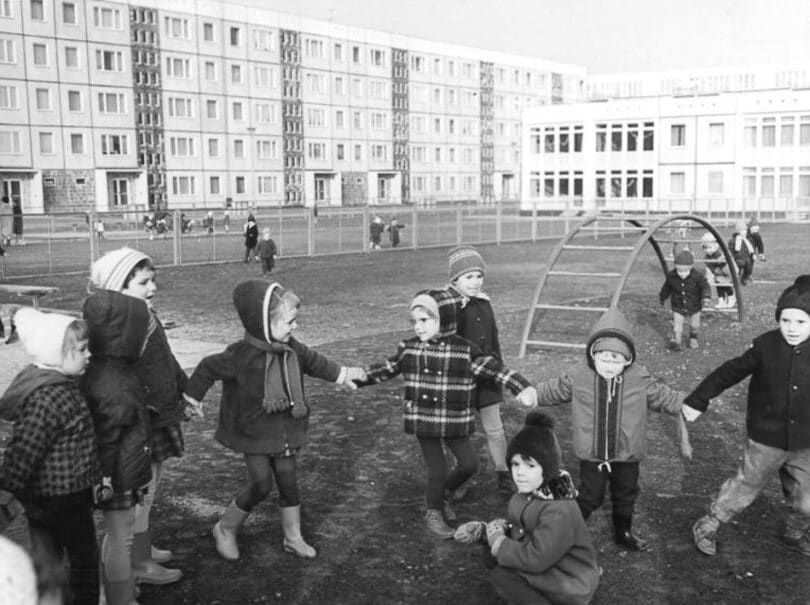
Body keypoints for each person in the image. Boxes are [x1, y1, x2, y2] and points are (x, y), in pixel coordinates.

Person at [182, 280, 366, 561]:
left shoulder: (293, 349)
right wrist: (192, 398)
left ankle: (293, 537)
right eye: (290, 322)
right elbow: (207, 367)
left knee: (289, 481)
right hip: (254, 433)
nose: (295, 327)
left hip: (285, 432)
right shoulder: (241, 354)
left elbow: (316, 362)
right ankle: (225, 528)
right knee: (261, 484)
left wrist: (343, 374)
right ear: (264, 324)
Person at [360, 289, 537, 538]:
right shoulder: (409, 348)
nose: (418, 327)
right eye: (414, 321)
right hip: (424, 420)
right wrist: (353, 376)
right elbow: (385, 369)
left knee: (469, 464)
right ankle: (434, 512)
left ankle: (442, 493)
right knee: (437, 469)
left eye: (424, 320)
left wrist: (521, 386)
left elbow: (495, 369)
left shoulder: (464, 350)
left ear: (443, 319)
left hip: (453, 419)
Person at [533, 308, 687, 551]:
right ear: (592, 356)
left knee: (626, 491)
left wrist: (686, 404)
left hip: (627, 452)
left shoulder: (639, 379)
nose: (609, 364)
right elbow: (556, 389)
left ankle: (623, 531)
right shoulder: (579, 375)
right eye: (603, 357)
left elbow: (662, 395)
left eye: (616, 359)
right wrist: (534, 394)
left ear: (628, 360)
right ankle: (565, 530)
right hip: (592, 452)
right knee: (589, 495)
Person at [686, 275, 810, 557]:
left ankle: (796, 529)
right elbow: (730, 371)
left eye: (801, 322)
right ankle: (710, 523)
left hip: (805, 441)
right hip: (766, 438)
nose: (792, 328)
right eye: (786, 320)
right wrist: (698, 398)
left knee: (807, 499)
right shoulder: (765, 346)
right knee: (745, 486)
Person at [89, 247, 186, 586]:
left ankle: (141, 550)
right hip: (140, 423)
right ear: (118, 287)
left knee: (150, 489)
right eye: (143, 282)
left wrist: (183, 391)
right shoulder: (122, 329)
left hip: (157, 416)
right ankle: (136, 562)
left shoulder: (146, 316)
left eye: (153, 279)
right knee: (140, 493)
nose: (153, 287)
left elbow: (167, 359)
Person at [0, 308, 102, 605]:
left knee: (49, 556)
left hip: (52, 497)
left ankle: (52, 597)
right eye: (81, 349)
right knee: (83, 558)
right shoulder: (50, 396)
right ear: (55, 353)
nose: (89, 355)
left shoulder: (57, 385)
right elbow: (24, 451)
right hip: (62, 498)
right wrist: (6, 491)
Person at [454, 411, 600, 605]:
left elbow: (536, 559)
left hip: (571, 580)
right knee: (491, 556)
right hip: (552, 564)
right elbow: (521, 529)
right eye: (515, 464)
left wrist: (498, 541)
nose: (520, 473)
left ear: (547, 469)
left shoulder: (559, 509)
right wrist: (485, 532)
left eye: (530, 466)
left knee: (502, 576)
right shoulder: (525, 493)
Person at [81, 288, 153, 605]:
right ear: (124, 335)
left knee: (115, 536)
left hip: (117, 471)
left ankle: (115, 589)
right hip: (117, 477)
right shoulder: (115, 382)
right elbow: (108, 437)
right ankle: (120, 598)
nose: (144, 342)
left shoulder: (104, 370)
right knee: (121, 538)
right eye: (141, 335)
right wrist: (106, 478)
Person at [443, 245, 514, 496]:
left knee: (495, 429)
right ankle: (459, 478)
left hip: (487, 379)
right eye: (468, 277)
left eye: (479, 276)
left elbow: (493, 341)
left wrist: (498, 370)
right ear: (454, 280)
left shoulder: (484, 304)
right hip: (461, 382)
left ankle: (503, 473)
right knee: (460, 432)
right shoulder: (449, 307)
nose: (475, 282)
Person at [658, 248, 711, 351]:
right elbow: (666, 287)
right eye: (679, 271)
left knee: (695, 325)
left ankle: (693, 338)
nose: (682, 274)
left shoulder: (697, 276)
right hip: (678, 305)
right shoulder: (671, 276)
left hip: (694, 305)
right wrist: (662, 297)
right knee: (677, 324)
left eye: (685, 271)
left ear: (691, 267)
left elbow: (705, 286)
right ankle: (677, 341)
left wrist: (706, 297)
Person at [700, 232, 736, 310]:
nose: (708, 250)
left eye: (710, 247)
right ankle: (721, 301)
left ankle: (731, 298)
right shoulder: (707, 257)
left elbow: (728, 260)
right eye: (705, 248)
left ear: (715, 246)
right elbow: (710, 266)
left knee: (726, 286)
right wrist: (715, 270)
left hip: (725, 273)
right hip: (717, 274)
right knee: (719, 287)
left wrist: (722, 262)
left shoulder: (720, 253)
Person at [728, 219, 754, 285]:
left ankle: (745, 278)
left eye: (745, 230)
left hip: (746, 258)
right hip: (738, 259)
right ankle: (735, 280)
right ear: (738, 231)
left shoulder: (747, 240)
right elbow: (731, 249)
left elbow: (750, 248)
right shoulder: (734, 240)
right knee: (737, 270)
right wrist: (732, 256)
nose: (744, 232)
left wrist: (752, 254)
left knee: (748, 269)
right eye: (742, 231)